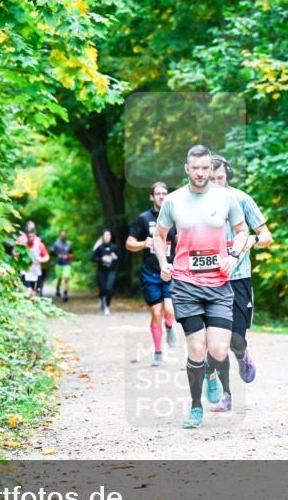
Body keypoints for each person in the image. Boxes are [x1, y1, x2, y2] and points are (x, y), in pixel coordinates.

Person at [154, 144, 248, 429]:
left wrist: (234, 255)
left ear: (211, 168)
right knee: (196, 347)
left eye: (205, 168)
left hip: (219, 284)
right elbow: (160, 236)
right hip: (186, 284)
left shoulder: (226, 198)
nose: (200, 173)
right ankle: (196, 407)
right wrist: (163, 262)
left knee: (218, 350)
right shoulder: (173, 201)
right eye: (195, 168)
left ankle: (211, 373)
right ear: (187, 169)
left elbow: (243, 231)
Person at [203, 154, 273, 408]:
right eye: (211, 179)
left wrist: (250, 241)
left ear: (227, 176)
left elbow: (266, 236)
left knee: (236, 341)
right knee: (214, 342)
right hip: (211, 280)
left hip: (239, 278)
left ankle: (243, 357)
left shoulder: (241, 199)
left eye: (220, 178)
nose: (215, 184)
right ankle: (226, 394)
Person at [126, 182, 179, 367]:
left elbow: (183, 242)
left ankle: (170, 326)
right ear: (151, 197)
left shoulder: (175, 218)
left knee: (170, 310)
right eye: (158, 193)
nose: (161, 196)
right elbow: (129, 243)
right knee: (156, 313)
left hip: (170, 271)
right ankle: (158, 352)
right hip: (150, 273)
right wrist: (144, 243)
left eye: (165, 193)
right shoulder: (143, 219)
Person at [91, 229, 118, 315]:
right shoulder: (99, 247)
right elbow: (93, 258)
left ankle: (107, 306)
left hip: (111, 271)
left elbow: (119, 259)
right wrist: (101, 259)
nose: (108, 237)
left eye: (109, 235)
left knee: (109, 288)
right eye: (106, 235)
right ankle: (102, 298)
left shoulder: (114, 247)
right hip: (101, 271)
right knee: (102, 288)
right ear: (103, 237)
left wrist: (115, 257)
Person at [18, 223, 49, 297]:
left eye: (32, 236)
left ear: (35, 235)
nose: (30, 238)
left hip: (36, 273)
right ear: (26, 236)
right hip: (25, 272)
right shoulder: (22, 245)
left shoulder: (39, 245)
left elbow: (47, 257)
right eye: (29, 237)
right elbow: (15, 254)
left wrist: (40, 259)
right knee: (28, 292)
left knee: (34, 294)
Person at [52, 229, 73, 302]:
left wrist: (69, 257)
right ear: (60, 235)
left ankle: (65, 293)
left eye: (65, 234)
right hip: (58, 264)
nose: (63, 235)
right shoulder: (56, 244)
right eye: (62, 234)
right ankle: (58, 289)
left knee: (66, 278)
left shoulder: (69, 244)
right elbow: (52, 252)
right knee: (59, 278)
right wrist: (58, 255)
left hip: (66, 264)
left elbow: (71, 253)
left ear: (66, 235)